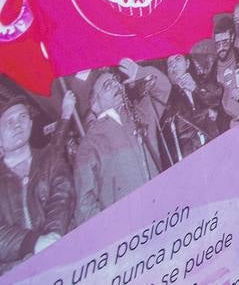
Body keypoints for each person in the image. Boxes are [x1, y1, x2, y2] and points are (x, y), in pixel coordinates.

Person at [72, 65, 168, 225]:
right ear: (95, 104)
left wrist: (139, 72)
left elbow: (163, 87)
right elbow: (84, 204)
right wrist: (112, 229)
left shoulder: (141, 114)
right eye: (107, 86)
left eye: (116, 81)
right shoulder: (89, 143)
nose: (116, 85)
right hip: (131, 228)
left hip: (165, 211)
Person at [0, 88, 72, 273]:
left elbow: (62, 198)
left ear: (31, 123)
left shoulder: (50, 159)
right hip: (16, 272)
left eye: (23, 117)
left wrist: (53, 237)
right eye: (9, 121)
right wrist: (33, 242)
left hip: (62, 258)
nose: (18, 125)